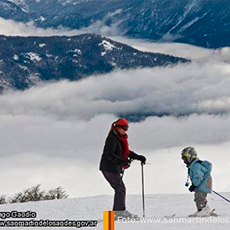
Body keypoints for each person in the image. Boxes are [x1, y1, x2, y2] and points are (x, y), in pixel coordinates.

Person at [99, 118, 146, 219]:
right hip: (108, 168)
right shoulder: (112, 139)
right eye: (124, 128)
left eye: (127, 128)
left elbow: (126, 152)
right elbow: (109, 154)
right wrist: (121, 161)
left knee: (119, 189)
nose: (126, 130)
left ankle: (117, 212)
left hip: (113, 168)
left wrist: (138, 157)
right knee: (120, 188)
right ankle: (119, 212)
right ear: (118, 127)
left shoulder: (120, 138)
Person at [181, 147, 214, 217]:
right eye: (183, 159)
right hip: (202, 184)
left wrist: (194, 185)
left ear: (190, 157)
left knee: (199, 197)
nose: (184, 161)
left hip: (203, 184)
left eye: (185, 158)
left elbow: (198, 177)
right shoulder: (193, 166)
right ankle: (203, 209)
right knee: (200, 196)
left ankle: (204, 210)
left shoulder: (196, 166)